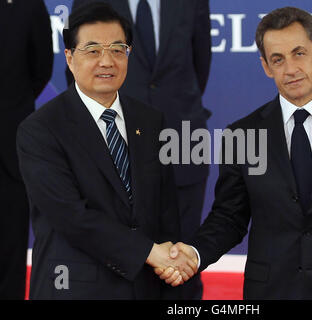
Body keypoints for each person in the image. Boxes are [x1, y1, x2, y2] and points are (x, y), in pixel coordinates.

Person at [160, 7, 312, 299]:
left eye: (299, 53)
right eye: (278, 59)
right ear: (266, 66)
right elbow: (229, 218)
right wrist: (195, 253)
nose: (290, 69)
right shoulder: (244, 135)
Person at [16, 2, 196, 299]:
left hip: (145, 287)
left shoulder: (149, 121)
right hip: (76, 288)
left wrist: (170, 265)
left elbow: (166, 214)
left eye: (117, 49)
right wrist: (150, 253)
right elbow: (73, 218)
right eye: (93, 50)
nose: (107, 61)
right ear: (70, 59)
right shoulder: (41, 129)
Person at [67, 0, 212, 299]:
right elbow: (79, 71)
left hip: (182, 142)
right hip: (113, 144)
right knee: (119, 262)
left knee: (182, 261)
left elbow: (200, 63)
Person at [0, 0, 53, 299]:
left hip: (10, 146)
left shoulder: (29, 5)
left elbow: (41, 68)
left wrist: (11, 108)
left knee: (11, 238)